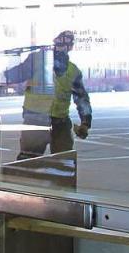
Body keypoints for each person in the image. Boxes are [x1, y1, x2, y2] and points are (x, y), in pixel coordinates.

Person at [6, 30, 92, 160]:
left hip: (59, 121)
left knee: (64, 162)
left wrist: (85, 122)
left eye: (64, 45)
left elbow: (81, 99)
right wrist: (13, 58)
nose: (61, 49)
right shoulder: (37, 59)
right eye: (59, 45)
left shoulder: (72, 70)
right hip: (36, 119)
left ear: (70, 48)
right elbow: (15, 75)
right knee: (28, 162)